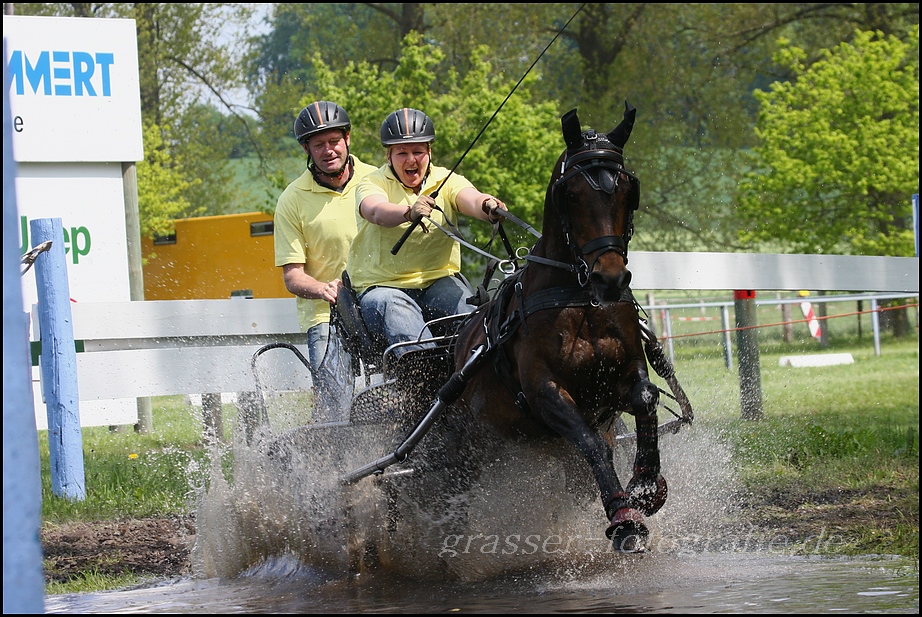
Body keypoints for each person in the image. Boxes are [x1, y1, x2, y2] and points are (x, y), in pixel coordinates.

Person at [347, 107, 508, 356]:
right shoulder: (371, 182)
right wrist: (409, 212)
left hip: (438, 282)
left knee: (470, 314)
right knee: (398, 308)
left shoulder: (447, 180)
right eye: (402, 153)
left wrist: (489, 206)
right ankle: (423, 377)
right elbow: (375, 211)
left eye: (418, 152)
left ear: (429, 153)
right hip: (381, 288)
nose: (411, 160)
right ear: (388, 156)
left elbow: (471, 199)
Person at [274, 101, 377, 368]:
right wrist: (323, 289)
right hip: (326, 316)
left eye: (334, 141)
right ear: (306, 149)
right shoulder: (291, 200)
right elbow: (292, 275)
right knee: (333, 401)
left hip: (379, 302)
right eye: (318, 145)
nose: (328, 151)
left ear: (347, 138)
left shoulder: (376, 180)